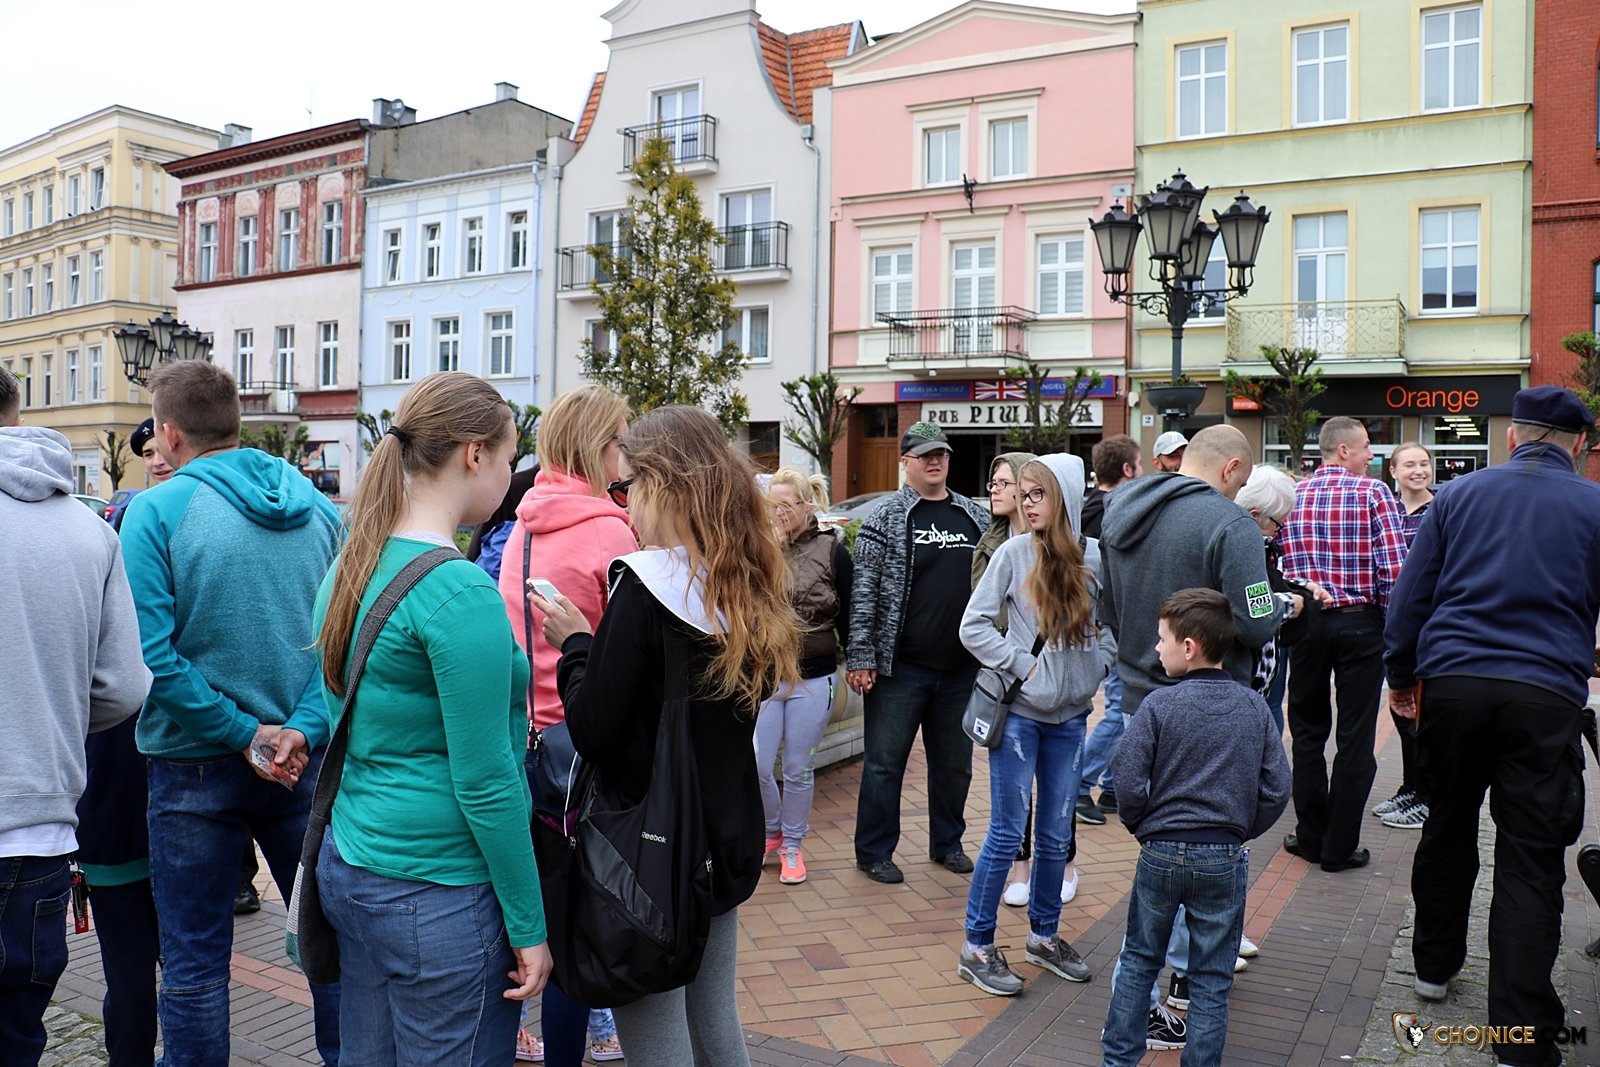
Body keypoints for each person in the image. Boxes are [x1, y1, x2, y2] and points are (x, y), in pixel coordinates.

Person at [531, 405, 801, 1067]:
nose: (623, 507)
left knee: (658, 1041)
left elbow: (594, 730)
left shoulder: (646, 587)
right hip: (723, 836)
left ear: (666, 486)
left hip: (647, 853)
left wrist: (575, 645)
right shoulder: (745, 578)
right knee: (715, 1022)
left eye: (627, 489)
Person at [310, 371, 551, 1062]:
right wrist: (529, 925)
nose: (509, 475)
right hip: (439, 890)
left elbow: (341, 716)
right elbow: (486, 779)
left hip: (355, 862)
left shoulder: (352, 566)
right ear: (474, 454)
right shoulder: (458, 591)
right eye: (509, 457)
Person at [119, 360, 342, 1067]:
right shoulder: (321, 509)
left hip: (192, 762)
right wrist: (299, 727)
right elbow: (340, 643)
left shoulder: (154, 512)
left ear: (169, 433)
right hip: (301, 759)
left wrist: (247, 735)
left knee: (193, 962)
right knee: (330, 951)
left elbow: (151, 657)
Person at [1384, 386, 1600, 1067]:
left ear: (1512, 436)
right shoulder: (1594, 504)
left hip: (1455, 681)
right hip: (1545, 689)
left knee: (1447, 826)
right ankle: (1523, 1033)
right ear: (1579, 444)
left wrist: (1400, 675)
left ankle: (1432, 967)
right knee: (1531, 856)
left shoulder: (1458, 496)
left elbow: (1412, 594)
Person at [1098, 424, 1299, 1050]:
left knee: (1161, 857)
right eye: (1243, 479)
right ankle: (1183, 982)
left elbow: (1108, 608)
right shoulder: (1229, 523)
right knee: (1208, 841)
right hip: (1214, 705)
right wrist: (1290, 606)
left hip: (1140, 695)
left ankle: (1153, 997)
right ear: (1232, 468)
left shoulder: (1121, 507)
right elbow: (1256, 621)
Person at [0, 367, 151, 1066]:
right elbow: (123, 686)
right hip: (38, 830)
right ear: (17, 413)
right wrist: (50, 715)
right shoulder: (89, 531)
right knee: (17, 1035)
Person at [496, 383, 636, 1067]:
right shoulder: (611, 529)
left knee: (534, 917)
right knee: (580, 930)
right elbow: (627, 652)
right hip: (585, 748)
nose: (627, 452)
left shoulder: (524, 525)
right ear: (598, 445)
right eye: (621, 438)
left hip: (527, 743)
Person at [1100, 589, 1290, 1067]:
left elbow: (1126, 776)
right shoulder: (1253, 707)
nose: (1156, 647)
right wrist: (1239, 830)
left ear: (1189, 647)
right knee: (1211, 978)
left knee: (1140, 961)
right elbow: (1277, 787)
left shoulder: (1159, 706)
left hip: (1160, 850)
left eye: (1162, 638)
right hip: (1222, 855)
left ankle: (1118, 1061)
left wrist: (1143, 825)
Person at [956, 454, 1113, 996]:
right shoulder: (1013, 552)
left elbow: (1111, 626)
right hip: (1021, 717)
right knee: (1007, 831)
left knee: (1055, 831)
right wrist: (1023, 665)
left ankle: (1044, 936)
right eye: (1023, 495)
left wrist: (1097, 666)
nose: (1027, 504)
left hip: (1071, 718)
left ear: (1065, 496)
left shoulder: (1095, 556)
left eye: (1037, 493)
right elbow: (973, 625)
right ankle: (977, 946)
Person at [847, 421, 990, 884]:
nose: (935, 461)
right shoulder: (885, 517)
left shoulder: (975, 516)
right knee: (884, 764)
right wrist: (861, 656)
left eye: (941, 454)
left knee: (954, 767)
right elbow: (863, 591)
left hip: (961, 669)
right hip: (900, 669)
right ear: (905, 461)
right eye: (925, 455)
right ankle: (874, 852)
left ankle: (947, 844)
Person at [79, 414, 176, 1067]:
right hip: (146, 800)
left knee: (136, 970)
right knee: (179, 968)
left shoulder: (97, 567)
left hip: (118, 802)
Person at [1277, 417, 1406, 874]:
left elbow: (1280, 563)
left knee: (1307, 732)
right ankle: (1339, 846)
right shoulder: (1374, 493)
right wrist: (1391, 632)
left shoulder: (1294, 495)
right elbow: (1394, 572)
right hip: (1359, 624)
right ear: (1344, 450)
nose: (1372, 454)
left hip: (1306, 621)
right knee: (1356, 736)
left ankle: (1310, 836)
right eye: (1367, 446)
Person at [758, 467, 853, 887]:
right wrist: (769, 553)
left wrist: (858, 663)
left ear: (806, 506)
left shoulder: (832, 551)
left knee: (798, 767)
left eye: (786, 505)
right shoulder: (759, 549)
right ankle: (772, 830)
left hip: (814, 677)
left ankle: (793, 844)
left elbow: (849, 614)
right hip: (766, 676)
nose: (778, 513)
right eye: (772, 505)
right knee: (757, 765)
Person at [971, 452, 1043, 907]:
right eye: (992, 484)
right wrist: (1006, 658)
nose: (994, 491)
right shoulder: (992, 542)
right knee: (1012, 786)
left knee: (1053, 783)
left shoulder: (1052, 542)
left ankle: (1061, 865)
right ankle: (1019, 868)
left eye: (1002, 483)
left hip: (1046, 678)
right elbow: (977, 614)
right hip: (1002, 676)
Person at [1076, 434, 1143, 827]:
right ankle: (1080, 784)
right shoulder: (1115, 511)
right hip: (1113, 623)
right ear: (1127, 469)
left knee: (1123, 706)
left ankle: (1114, 787)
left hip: (1102, 622)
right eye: (1140, 465)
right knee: (1120, 709)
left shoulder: (1086, 508)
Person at [1233, 465, 1326, 735]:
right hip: (1249, 675)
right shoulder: (1244, 547)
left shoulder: (1248, 541)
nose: (1279, 530)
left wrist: (1299, 586)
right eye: (1277, 523)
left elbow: (1263, 585)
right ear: (1255, 515)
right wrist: (1291, 604)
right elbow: (1254, 604)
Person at [1372, 441, 1435, 831]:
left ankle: (1426, 795)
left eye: (1424, 463)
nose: (1419, 470)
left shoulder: (1440, 510)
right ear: (1393, 471)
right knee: (1401, 709)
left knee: (1423, 712)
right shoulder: (1388, 512)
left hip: (1428, 626)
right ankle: (1411, 786)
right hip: (1392, 625)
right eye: (1409, 464)